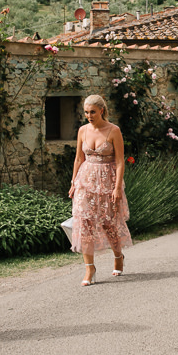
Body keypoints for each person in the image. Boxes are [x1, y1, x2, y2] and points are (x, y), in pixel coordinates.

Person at [68, 95, 133, 286]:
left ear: (101, 111)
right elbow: (78, 159)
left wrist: (117, 187)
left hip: (107, 182)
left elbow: (120, 161)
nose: (89, 115)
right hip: (85, 181)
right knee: (84, 222)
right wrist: (73, 182)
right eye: (86, 112)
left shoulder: (113, 131)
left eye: (92, 112)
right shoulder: (82, 131)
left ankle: (118, 256)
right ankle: (89, 268)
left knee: (108, 223)